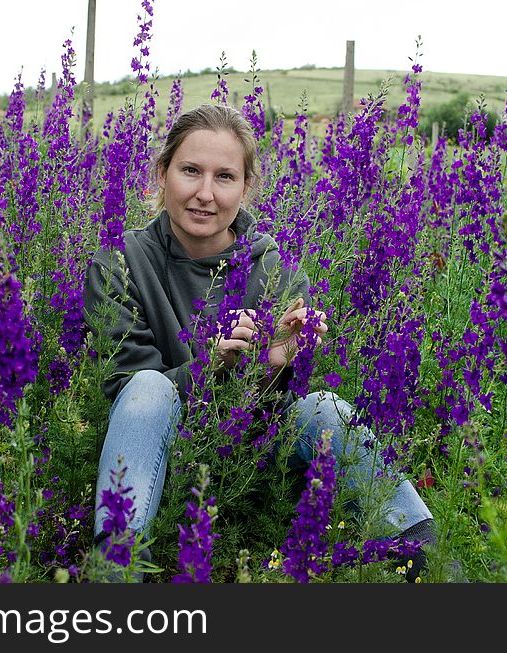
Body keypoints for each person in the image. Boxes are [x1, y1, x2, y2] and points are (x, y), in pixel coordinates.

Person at [83, 103, 437, 582]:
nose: (204, 194)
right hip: (155, 467)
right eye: (190, 171)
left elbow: (278, 413)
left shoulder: (277, 272)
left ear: (246, 188)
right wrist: (211, 365)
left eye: (224, 177)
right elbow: (124, 390)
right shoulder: (119, 264)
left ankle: (426, 560)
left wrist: (274, 363)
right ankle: (116, 572)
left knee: (325, 407)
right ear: (162, 173)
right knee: (147, 385)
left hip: (247, 470)